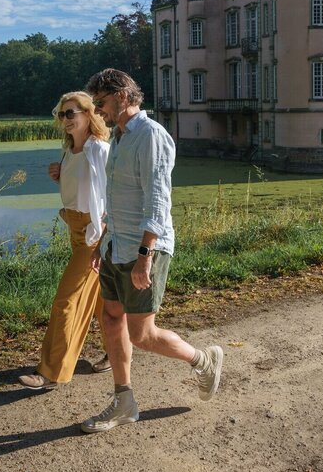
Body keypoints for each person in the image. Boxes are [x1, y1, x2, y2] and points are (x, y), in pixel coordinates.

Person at [80, 68, 223, 433]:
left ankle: (202, 359)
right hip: (117, 246)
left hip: (146, 249)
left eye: (102, 103)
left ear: (123, 96)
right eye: (96, 104)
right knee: (111, 318)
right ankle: (124, 401)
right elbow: (118, 195)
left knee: (141, 334)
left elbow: (157, 201)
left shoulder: (151, 135)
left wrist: (145, 257)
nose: (99, 112)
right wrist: (104, 241)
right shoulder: (121, 136)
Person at [18, 91, 111, 390]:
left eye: (71, 113)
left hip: (93, 235)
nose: (65, 119)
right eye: (62, 114)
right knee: (99, 299)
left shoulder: (100, 150)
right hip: (74, 227)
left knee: (66, 302)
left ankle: (50, 372)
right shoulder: (70, 150)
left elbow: (111, 194)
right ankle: (118, 350)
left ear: (89, 114)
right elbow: (82, 188)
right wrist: (61, 176)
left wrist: (106, 232)